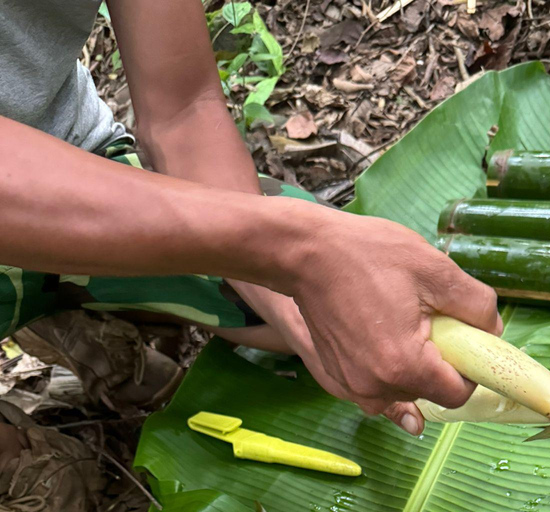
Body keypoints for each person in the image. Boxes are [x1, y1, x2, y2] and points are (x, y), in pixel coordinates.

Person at [0, 0, 502, 438]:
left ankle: (67, 307)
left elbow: (183, 109)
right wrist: (293, 250)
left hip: (77, 161)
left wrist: (291, 297)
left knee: (337, 311)